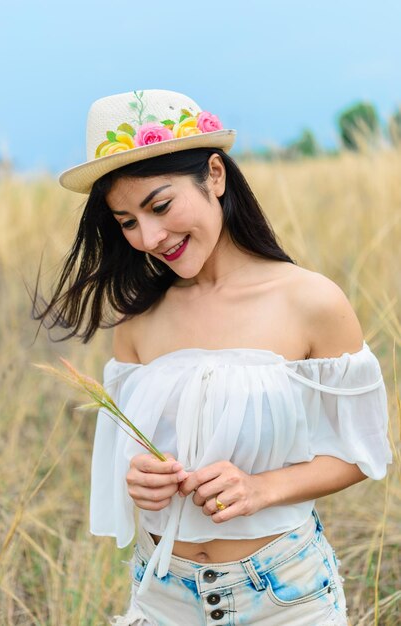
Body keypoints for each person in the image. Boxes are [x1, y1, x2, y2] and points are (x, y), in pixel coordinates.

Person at [36, 89, 392, 625]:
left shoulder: (310, 301)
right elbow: (130, 464)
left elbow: (363, 452)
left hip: (283, 596)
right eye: (127, 222)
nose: (149, 237)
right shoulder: (138, 322)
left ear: (216, 176)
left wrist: (261, 488)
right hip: (162, 596)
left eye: (159, 206)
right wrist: (139, 479)